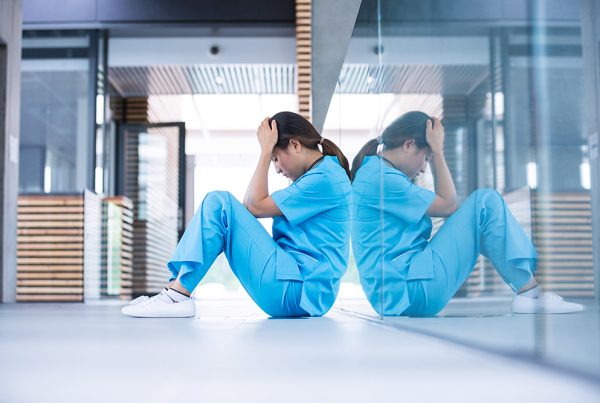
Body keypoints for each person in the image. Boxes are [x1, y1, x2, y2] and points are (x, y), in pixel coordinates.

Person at [351, 111, 584, 316]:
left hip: (401, 291)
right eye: (426, 158)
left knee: (482, 209)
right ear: (409, 145)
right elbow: (449, 205)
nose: (423, 167)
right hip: (411, 289)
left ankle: (529, 291)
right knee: (485, 202)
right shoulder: (382, 179)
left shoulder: (376, 173)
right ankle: (530, 294)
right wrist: (439, 154)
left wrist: (433, 153)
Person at [121, 111, 352, 318]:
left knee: (219, 203)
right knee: (220, 204)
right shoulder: (320, 176)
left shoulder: (325, 178)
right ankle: (174, 290)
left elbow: (253, 206)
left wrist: (263, 152)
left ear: (295, 145)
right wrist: (268, 152)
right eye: (272, 161)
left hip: (297, 289)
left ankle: (176, 296)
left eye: (275, 158)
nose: (277, 169)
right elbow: (251, 205)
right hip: (297, 286)